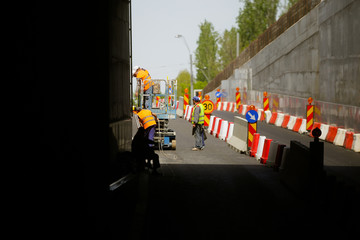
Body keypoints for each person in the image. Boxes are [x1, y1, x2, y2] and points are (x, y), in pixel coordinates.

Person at [133, 107, 161, 175]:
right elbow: (155, 115)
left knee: (148, 139)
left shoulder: (138, 114)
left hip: (146, 126)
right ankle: (154, 170)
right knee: (150, 138)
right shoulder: (147, 110)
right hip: (153, 124)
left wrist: (142, 128)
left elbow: (140, 124)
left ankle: (147, 163)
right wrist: (156, 121)